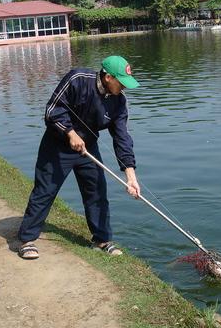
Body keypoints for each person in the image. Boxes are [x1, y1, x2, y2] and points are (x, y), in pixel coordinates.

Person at [17, 56, 141, 259]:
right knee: (45, 191)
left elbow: (122, 138)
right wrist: (70, 133)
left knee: (97, 192)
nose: (124, 88)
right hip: (57, 145)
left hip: (88, 149)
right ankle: (27, 239)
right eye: (122, 83)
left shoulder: (119, 101)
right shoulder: (77, 79)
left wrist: (131, 175)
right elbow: (52, 111)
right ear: (108, 77)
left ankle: (101, 240)